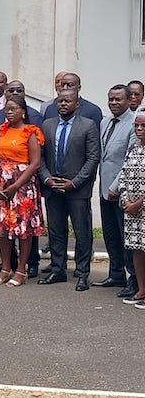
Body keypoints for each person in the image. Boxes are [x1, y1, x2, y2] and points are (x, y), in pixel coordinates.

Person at [38, 88, 100, 292]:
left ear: (77, 104)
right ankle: (58, 269)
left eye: (67, 101)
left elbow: (93, 158)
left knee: (82, 233)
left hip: (77, 189)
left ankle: (82, 274)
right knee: (56, 231)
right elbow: (40, 156)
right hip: (53, 187)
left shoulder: (88, 125)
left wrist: (74, 182)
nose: (63, 104)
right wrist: (47, 179)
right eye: (60, 101)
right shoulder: (47, 125)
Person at [0, 94, 45, 287]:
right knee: (2, 228)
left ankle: (21, 270)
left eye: (13, 109)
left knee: (23, 229)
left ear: (23, 112)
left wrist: (16, 186)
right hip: (1, 185)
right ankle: (5, 268)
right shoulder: (2, 130)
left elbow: (35, 163)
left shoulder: (30, 132)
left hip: (22, 187)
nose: (9, 112)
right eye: (7, 109)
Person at [93, 85, 136, 291]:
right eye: (111, 99)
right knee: (111, 235)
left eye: (118, 99)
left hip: (122, 190)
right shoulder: (105, 122)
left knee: (126, 237)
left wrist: (116, 186)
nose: (113, 103)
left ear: (129, 100)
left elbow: (129, 159)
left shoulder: (134, 124)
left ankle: (134, 279)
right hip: (104, 190)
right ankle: (116, 274)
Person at [118, 108, 145, 308]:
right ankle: (142, 289)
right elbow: (123, 175)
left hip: (141, 208)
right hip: (132, 211)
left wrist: (138, 203)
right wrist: (126, 200)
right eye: (136, 125)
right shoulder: (133, 149)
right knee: (137, 250)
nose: (139, 129)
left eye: (143, 126)